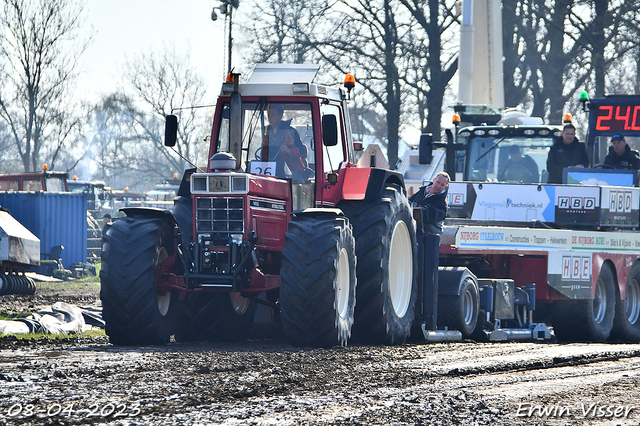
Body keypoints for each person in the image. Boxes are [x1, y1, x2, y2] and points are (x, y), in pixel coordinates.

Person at [409, 172, 449, 333]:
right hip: (414, 234)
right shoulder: (421, 192)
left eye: (441, 185)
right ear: (433, 180)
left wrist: (417, 210)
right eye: (437, 182)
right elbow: (409, 204)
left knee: (425, 276)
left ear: (445, 187)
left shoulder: (441, 203)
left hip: (428, 239)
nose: (438, 186)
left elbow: (430, 216)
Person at [261, 104, 309, 178]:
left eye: (273, 115)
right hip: (270, 170)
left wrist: (289, 150)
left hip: (291, 171)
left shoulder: (291, 131)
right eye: (268, 115)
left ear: (280, 115)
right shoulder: (265, 132)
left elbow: (302, 151)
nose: (270, 118)